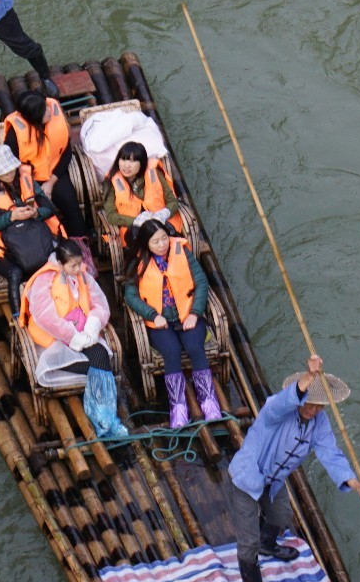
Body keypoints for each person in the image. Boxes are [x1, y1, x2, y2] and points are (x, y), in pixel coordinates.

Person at [226, 353, 360, 582]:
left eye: (320, 405)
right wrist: (309, 375)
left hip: (274, 481)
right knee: (247, 544)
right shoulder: (277, 409)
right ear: (301, 396)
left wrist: (357, 486)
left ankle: (268, 544)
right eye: (310, 402)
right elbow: (282, 401)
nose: (314, 409)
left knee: (281, 515)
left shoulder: (320, 423)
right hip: (247, 478)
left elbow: (332, 455)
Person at [20, 240, 129, 440]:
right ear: (60, 264)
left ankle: (105, 417)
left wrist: (93, 325)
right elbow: (45, 316)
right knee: (98, 365)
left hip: (84, 330)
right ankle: (104, 418)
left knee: (101, 355)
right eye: (73, 266)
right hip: (55, 337)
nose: (79, 269)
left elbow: (100, 304)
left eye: (79, 264)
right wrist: (71, 336)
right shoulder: (43, 280)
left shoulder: (83, 276)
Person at [121, 221, 223, 429]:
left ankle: (208, 399)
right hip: (160, 321)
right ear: (146, 243)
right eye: (155, 241)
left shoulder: (182, 252)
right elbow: (130, 295)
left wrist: (195, 313)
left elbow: (201, 283)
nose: (162, 244)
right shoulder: (139, 262)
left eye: (164, 238)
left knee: (195, 348)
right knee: (172, 352)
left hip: (187, 315)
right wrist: (151, 314)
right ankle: (177, 405)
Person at [0, 144, 63, 314]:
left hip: (33, 237)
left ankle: (62, 301)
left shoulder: (25, 177)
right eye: (4, 172)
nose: (10, 173)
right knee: (15, 273)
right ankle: (17, 316)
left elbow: (49, 208)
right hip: (5, 248)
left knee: (62, 255)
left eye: (11, 169)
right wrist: (11, 217)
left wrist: (35, 213)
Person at [0, 90, 89, 239]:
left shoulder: (54, 114)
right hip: (28, 180)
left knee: (70, 203)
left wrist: (51, 182)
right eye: (44, 109)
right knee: (38, 212)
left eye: (46, 105)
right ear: (34, 117)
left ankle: (81, 244)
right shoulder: (15, 134)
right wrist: (35, 188)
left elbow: (66, 153)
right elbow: (10, 167)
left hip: (55, 172)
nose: (49, 110)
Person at [97, 141, 183, 250]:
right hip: (134, 232)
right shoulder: (111, 182)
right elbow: (111, 216)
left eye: (133, 161)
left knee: (175, 248)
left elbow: (172, 201)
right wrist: (137, 221)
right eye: (123, 159)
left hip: (161, 226)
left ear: (142, 163)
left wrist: (164, 213)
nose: (126, 165)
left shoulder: (154, 173)